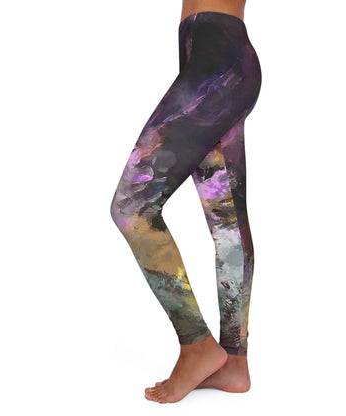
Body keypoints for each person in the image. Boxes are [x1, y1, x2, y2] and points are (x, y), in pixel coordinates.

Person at [110, 0, 261, 404]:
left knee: (132, 209)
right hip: (215, 64)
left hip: (218, 65)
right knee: (227, 222)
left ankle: (197, 345)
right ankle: (234, 362)